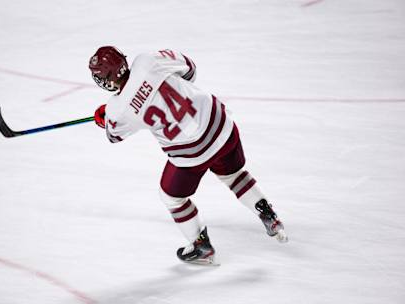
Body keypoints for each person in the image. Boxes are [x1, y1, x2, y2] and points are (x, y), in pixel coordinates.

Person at [89, 46, 288, 265]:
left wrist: (104, 119)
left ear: (106, 78)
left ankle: (201, 245)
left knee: (171, 196)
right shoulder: (147, 60)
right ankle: (269, 214)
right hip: (220, 123)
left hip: (190, 151)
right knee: (233, 174)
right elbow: (190, 69)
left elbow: (114, 135)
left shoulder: (118, 108)